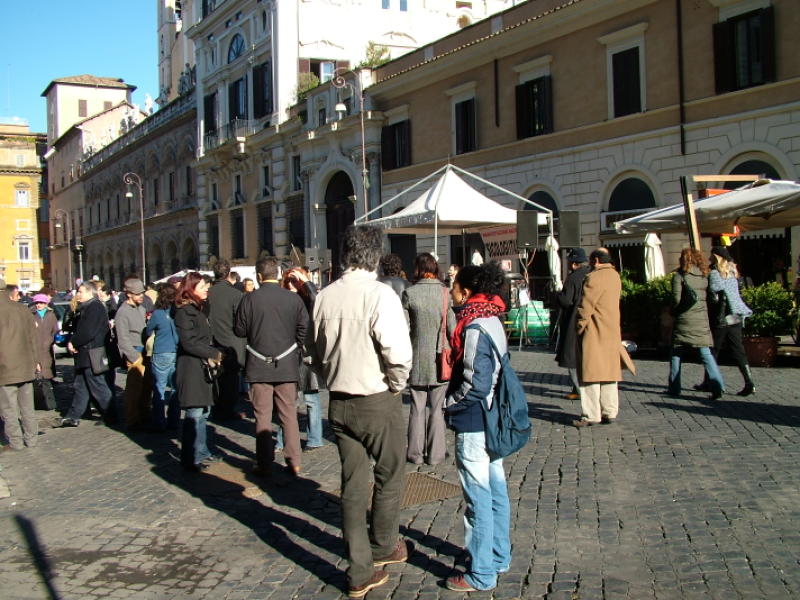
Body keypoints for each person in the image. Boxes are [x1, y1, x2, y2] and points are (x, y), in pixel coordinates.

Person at [313, 225, 413, 598]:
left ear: (344, 255)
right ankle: (384, 546)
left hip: (339, 400)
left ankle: (359, 571)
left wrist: (330, 377)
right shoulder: (379, 295)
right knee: (390, 474)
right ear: (374, 256)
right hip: (376, 397)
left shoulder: (324, 296)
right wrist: (396, 385)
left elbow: (313, 351)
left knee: (353, 485)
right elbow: (399, 354)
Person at [443, 261, 510, 592]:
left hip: (474, 420)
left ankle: (481, 571)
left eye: (453, 286)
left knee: (478, 497)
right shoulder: (493, 318)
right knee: (496, 491)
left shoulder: (473, 326)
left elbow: (475, 383)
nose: (450, 292)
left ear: (466, 292)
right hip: (492, 417)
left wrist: (449, 404)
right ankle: (498, 556)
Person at [234, 257, 308, 477]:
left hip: (258, 366)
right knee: (289, 415)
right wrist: (295, 346)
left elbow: (239, 330)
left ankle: (264, 462)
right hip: (286, 365)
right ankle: (294, 461)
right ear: (277, 274)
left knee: (263, 416)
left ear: (258, 276)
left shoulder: (249, 299)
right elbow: (304, 327)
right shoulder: (293, 300)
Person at [572, 248, 636, 427]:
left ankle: (591, 415)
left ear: (596, 260)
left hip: (594, 331)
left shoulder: (594, 278)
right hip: (611, 330)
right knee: (609, 373)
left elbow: (586, 306)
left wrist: (579, 326)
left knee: (589, 374)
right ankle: (610, 411)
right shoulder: (615, 276)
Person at [402, 253, 455, 465]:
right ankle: (435, 454)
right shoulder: (445, 293)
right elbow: (452, 328)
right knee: (437, 408)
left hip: (416, 358)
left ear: (417, 269)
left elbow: (403, 328)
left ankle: (414, 454)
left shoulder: (410, 293)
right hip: (440, 358)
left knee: (417, 407)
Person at [174, 272, 223, 471]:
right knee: (194, 415)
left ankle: (201, 452)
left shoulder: (199, 309)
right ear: (191, 289)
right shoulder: (184, 312)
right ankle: (190, 457)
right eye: (202, 286)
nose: (207, 289)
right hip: (191, 369)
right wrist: (215, 353)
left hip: (202, 368)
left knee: (203, 412)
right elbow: (189, 342)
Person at [666, 248, 725, 400]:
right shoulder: (705, 275)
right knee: (706, 353)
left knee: (676, 353)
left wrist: (672, 311)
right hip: (702, 320)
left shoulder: (679, 276)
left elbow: (676, 299)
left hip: (683, 320)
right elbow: (712, 298)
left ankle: (674, 387)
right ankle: (718, 386)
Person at [276, 267, 325, 452]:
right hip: (287, 354)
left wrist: (305, 282)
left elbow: (317, 300)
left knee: (311, 399)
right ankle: (283, 440)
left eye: (294, 280)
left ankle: (314, 438)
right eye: (288, 280)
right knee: (288, 400)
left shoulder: (308, 299)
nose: (291, 284)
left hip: (306, 354)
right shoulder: (281, 299)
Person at [59, 282, 115, 427]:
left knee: (98, 385)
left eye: (81, 291)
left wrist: (74, 342)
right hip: (88, 352)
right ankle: (73, 415)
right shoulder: (86, 307)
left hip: (94, 352)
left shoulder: (94, 307)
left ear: (90, 293)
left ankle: (111, 414)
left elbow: (88, 331)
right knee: (81, 385)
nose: (78, 294)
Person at [707, 246, 755, 396]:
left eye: (711, 256)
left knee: (713, 350)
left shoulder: (715, 273)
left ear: (716, 257)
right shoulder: (733, 272)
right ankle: (749, 381)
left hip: (723, 316)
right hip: (736, 315)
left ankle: (714, 383)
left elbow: (715, 293)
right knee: (737, 349)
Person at [0, 277, 41, 450]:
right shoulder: (23, 309)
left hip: (4, 368)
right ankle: (31, 439)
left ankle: (16, 442)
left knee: (9, 409)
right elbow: (34, 338)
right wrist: (36, 361)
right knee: (27, 407)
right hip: (26, 365)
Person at [208, 259, 246, 421]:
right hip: (232, 341)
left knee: (214, 377)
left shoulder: (207, 293)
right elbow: (241, 321)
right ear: (228, 273)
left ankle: (216, 407)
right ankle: (228, 409)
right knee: (231, 379)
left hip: (211, 341)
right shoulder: (236, 294)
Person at [554, 248, 591, 400]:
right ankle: (578, 388)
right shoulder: (590, 274)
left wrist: (556, 295)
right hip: (587, 319)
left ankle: (580, 389)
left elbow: (566, 300)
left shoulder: (573, 277)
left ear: (574, 264)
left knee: (571, 356)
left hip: (573, 320)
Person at [115, 278, 151, 429]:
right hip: (135, 352)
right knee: (134, 390)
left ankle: (144, 416)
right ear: (128, 294)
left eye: (141, 293)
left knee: (146, 388)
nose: (141, 296)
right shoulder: (122, 313)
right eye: (137, 294)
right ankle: (133, 419)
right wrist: (134, 357)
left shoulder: (141, 308)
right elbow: (122, 339)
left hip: (145, 350)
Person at [145, 285, 181, 431]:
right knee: (175, 388)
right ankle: (174, 421)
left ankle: (158, 422)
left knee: (159, 388)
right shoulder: (177, 312)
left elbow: (148, 330)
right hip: (176, 351)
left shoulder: (157, 313)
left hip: (161, 352)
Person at [31, 293, 59, 411]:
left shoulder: (51, 315)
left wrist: (50, 340)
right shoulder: (31, 315)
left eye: (41, 303)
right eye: (37, 303)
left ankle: (49, 403)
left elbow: (55, 330)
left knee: (46, 376)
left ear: (46, 304)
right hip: (35, 348)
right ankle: (38, 402)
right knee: (36, 376)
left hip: (47, 349)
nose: (39, 305)